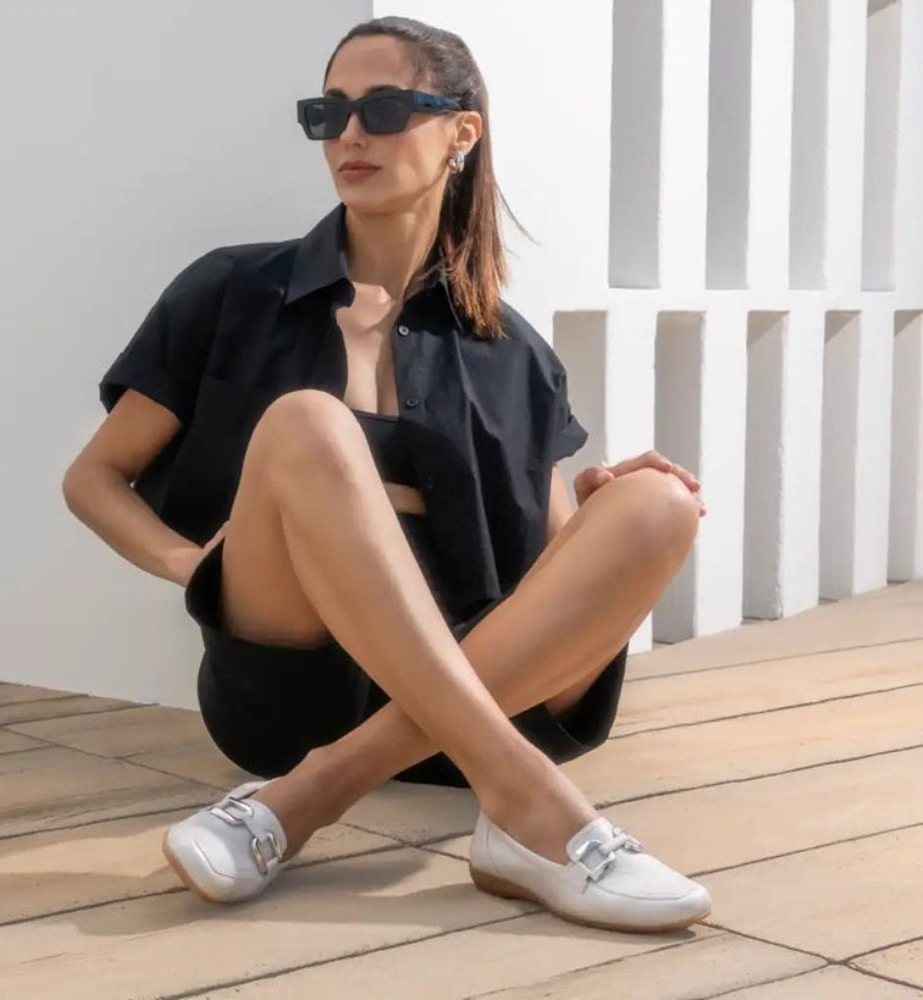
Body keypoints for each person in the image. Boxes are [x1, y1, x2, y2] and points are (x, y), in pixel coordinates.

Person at [63, 15, 710, 933]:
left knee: (660, 499)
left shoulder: (518, 355)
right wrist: (191, 563)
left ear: (462, 133)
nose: (351, 134)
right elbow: (95, 478)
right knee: (306, 423)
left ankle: (312, 795)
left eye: (386, 108)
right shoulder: (231, 291)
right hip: (293, 693)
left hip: (479, 700)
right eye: (328, 113)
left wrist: (605, 512)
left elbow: (543, 571)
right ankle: (538, 816)